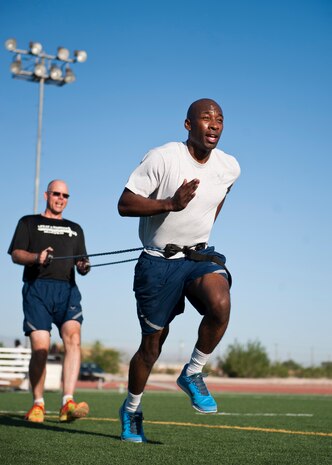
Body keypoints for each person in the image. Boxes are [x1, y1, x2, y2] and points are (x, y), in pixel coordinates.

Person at [117, 98, 241, 442]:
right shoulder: (163, 157)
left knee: (221, 303)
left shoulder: (229, 166)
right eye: (206, 118)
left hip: (197, 258)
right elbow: (124, 204)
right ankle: (131, 409)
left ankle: (193, 372)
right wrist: (170, 204)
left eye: (220, 119)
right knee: (152, 347)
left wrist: (198, 232)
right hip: (157, 264)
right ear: (189, 125)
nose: (214, 124)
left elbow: (220, 196)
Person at [8, 179, 91, 423]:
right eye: (56, 194)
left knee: (74, 340)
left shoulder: (75, 228)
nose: (60, 199)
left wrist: (83, 266)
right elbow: (16, 255)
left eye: (65, 195)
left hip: (67, 291)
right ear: (47, 195)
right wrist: (37, 257)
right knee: (41, 349)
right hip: (37, 290)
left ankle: (68, 402)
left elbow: (82, 262)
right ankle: (38, 404)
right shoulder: (28, 222)